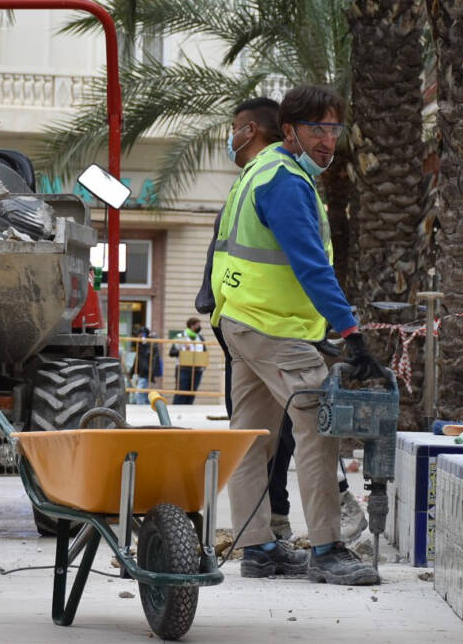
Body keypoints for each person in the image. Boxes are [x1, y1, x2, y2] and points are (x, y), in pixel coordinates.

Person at [211, 84, 388, 586]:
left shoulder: (259, 171)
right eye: (316, 128)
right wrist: (351, 332)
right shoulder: (286, 182)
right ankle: (329, 549)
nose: (328, 140)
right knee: (318, 427)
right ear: (288, 132)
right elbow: (310, 265)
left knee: (252, 438)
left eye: (334, 129)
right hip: (273, 329)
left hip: (244, 322)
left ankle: (259, 549)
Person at [170, 317, 206, 404]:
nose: (199, 327)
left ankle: (187, 411)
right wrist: (182, 351)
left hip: (197, 370)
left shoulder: (200, 338)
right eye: (198, 325)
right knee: (181, 392)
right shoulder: (181, 336)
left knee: (192, 393)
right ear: (191, 326)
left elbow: (204, 352)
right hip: (183, 369)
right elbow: (172, 352)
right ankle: (176, 411)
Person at [129, 327, 162, 405]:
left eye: (140, 335)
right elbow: (137, 359)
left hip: (146, 373)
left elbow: (153, 360)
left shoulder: (150, 345)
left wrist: (151, 373)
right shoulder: (140, 345)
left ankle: (141, 409)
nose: (138, 337)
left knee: (140, 393)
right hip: (142, 373)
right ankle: (144, 406)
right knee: (144, 393)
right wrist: (132, 372)